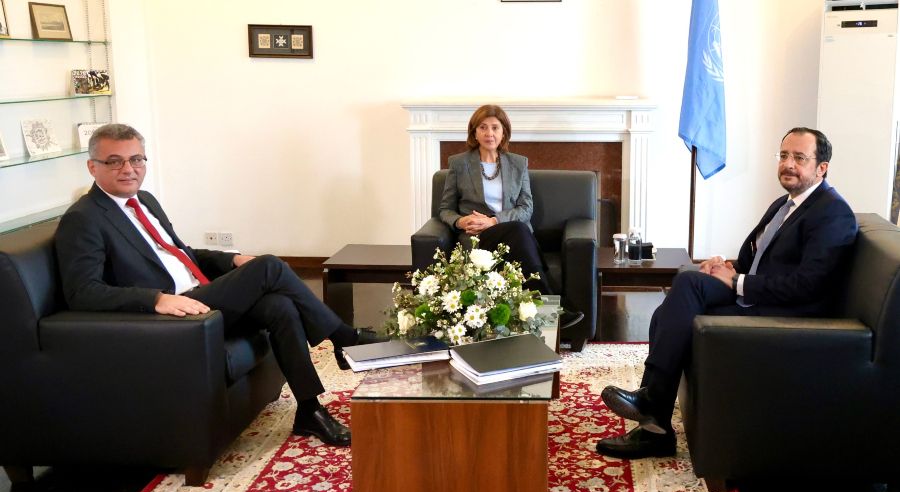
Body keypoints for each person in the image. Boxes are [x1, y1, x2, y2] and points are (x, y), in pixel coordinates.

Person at [54, 123, 380, 448]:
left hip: (200, 294)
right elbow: (82, 292)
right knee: (269, 266)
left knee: (279, 306)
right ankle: (344, 338)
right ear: (92, 167)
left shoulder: (145, 201)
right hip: (170, 319)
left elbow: (181, 253)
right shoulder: (84, 218)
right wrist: (155, 299)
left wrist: (232, 259)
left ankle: (310, 410)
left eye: (136, 159)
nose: (129, 169)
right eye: (115, 161)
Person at [595, 127, 858, 459]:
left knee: (682, 296)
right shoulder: (785, 204)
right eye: (783, 155)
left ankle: (653, 410)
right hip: (760, 294)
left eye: (799, 158)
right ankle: (654, 420)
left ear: (822, 168)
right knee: (680, 292)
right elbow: (758, 259)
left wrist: (737, 282)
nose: (788, 164)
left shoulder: (832, 212)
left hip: (788, 315)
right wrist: (726, 266)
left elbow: (808, 285)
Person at [438, 104, 584, 329]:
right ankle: (553, 308)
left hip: (511, 233)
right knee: (520, 230)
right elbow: (445, 209)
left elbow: (526, 207)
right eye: (483, 127)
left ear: (504, 132)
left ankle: (548, 307)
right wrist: (460, 221)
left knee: (518, 229)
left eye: (495, 127)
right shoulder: (459, 163)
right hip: (477, 238)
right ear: (474, 133)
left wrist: (494, 221)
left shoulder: (518, 163)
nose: (489, 133)